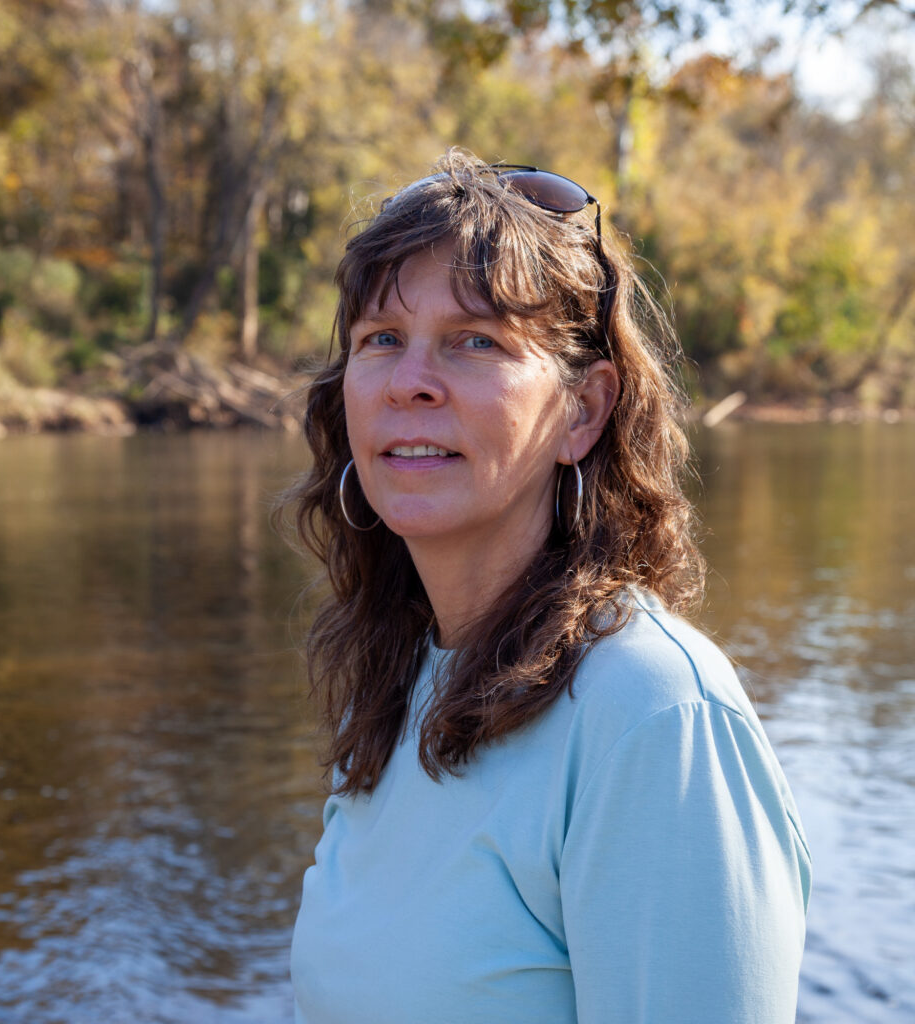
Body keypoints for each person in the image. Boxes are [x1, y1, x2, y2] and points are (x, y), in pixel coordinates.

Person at [282, 149, 811, 1024]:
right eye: (383, 340)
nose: (410, 382)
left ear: (584, 410)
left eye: (474, 342)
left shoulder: (655, 715)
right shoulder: (406, 681)